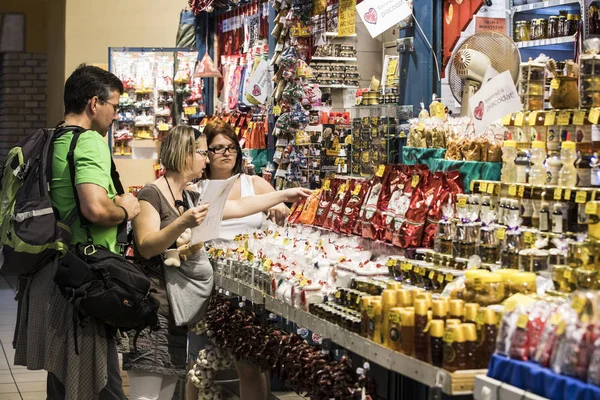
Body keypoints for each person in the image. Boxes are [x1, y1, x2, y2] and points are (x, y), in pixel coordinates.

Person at [127, 125, 310, 400]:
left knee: (164, 391)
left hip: (177, 308)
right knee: (147, 394)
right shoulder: (151, 194)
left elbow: (236, 208)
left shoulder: (189, 196)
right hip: (154, 307)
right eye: (203, 152)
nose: (207, 158)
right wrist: (183, 222)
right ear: (184, 154)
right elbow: (146, 245)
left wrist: (285, 194)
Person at [13, 64, 139, 399]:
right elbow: (95, 208)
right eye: (115, 106)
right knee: (100, 381)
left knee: (64, 378)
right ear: (94, 103)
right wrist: (127, 207)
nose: (115, 115)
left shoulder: (53, 139)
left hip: (54, 270)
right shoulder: (90, 142)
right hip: (87, 277)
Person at [196, 120, 286, 400]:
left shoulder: (254, 183)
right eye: (218, 148)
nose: (226, 153)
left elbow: (281, 224)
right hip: (211, 287)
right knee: (202, 363)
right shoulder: (196, 189)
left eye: (231, 147)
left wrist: (279, 208)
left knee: (251, 364)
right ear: (205, 153)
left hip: (253, 286)